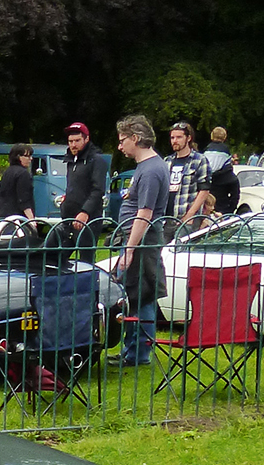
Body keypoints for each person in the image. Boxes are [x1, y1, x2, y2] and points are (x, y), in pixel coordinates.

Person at [109, 114, 169, 369]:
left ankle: (138, 354)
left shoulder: (152, 170)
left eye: (123, 140)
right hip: (138, 239)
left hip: (142, 241)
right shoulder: (146, 167)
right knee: (135, 294)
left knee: (141, 294)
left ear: (136, 138)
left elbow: (145, 213)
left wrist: (130, 249)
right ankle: (132, 350)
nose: (120, 146)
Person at [60, 122, 109, 262]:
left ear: (86, 139)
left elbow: (98, 189)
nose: (73, 145)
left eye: (77, 141)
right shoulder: (71, 160)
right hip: (69, 217)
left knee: (86, 261)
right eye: (70, 141)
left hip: (88, 219)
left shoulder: (96, 160)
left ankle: (89, 283)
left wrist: (85, 212)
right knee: (58, 258)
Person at [164, 122, 210, 235]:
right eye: (172, 137)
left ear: (188, 138)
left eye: (179, 137)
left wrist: (190, 216)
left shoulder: (199, 160)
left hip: (187, 218)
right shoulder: (167, 161)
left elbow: (204, 190)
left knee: (180, 251)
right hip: (166, 218)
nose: (175, 141)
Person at [0, 144, 36, 220]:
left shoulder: (8, 171)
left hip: (1, 214)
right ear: (18, 157)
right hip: (17, 217)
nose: (31, 159)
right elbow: (23, 199)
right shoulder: (23, 174)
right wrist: (31, 219)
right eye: (27, 156)